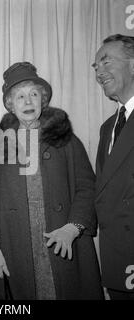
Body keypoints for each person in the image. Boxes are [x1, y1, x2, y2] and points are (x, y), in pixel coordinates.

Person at [0, 62, 103, 299]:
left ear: (43, 101)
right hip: (14, 246)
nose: (27, 101)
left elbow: (87, 187)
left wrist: (73, 228)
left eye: (34, 94)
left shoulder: (66, 139)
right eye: (20, 96)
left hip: (63, 243)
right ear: (10, 105)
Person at [93, 34, 134, 300]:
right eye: (96, 67)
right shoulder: (108, 127)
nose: (99, 72)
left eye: (106, 62)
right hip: (117, 259)